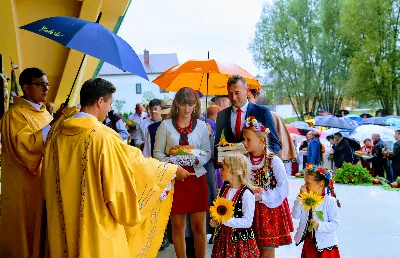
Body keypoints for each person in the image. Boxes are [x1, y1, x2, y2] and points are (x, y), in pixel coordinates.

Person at [32, 78, 190, 258]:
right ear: (100, 101)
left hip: (60, 227)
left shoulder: (56, 134)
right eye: (109, 103)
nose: (109, 110)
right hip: (93, 230)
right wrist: (167, 172)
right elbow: (124, 179)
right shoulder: (101, 138)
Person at [0, 67, 64, 258]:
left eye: (47, 84)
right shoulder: (15, 114)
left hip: (42, 181)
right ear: (26, 88)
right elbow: (26, 146)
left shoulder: (44, 113)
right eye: (40, 84)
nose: (46, 89)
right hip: (22, 186)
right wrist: (54, 123)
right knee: (23, 237)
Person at [154, 87, 211, 258]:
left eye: (191, 105)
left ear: (196, 105)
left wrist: (195, 160)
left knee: (199, 227)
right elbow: (157, 153)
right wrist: (173, 165)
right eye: (184, 105)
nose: (187, 109)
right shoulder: (164, 125)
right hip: (173, 178)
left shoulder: (201, 126)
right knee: (178, 226)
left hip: (197, 178)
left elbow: (206, 152)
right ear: (177, 104)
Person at [242, 117, 293, 258]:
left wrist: (263, 196)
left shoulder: (273, 161)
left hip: (269, 211)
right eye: (244, 139)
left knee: (267, 250)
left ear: (261, 140)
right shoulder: (244, 160)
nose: (244, 143)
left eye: (248, 139)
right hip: (249, 210)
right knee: (250, 250)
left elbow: (283, 188)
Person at [215, 75, 281, 156]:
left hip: (256, 166)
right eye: (230, 94)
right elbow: (216, 145)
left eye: (237, 93)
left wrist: (262, 158)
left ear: (246, 91)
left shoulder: (262, 112)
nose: (233, 98)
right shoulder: (222, 115)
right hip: (231, 166)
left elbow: (275, 144)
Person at [210, 153, 260, 258]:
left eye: (223, 168)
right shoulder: (224, 189)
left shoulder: (246, 194)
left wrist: (224, 220)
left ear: (234, 170)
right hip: (223, 239)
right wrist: (216, 220)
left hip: (239, 241)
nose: (220, 171)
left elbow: (247, 222)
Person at [292, 165, 341, 258]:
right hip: (309, 244)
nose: (304, 186)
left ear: (321, 185)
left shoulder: (329, 201)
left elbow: (335, 224)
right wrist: (299, 197)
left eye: (308, 183)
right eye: (304, 182)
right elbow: (295, 215)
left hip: (325, 245)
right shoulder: (304, 198)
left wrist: (319, 225)